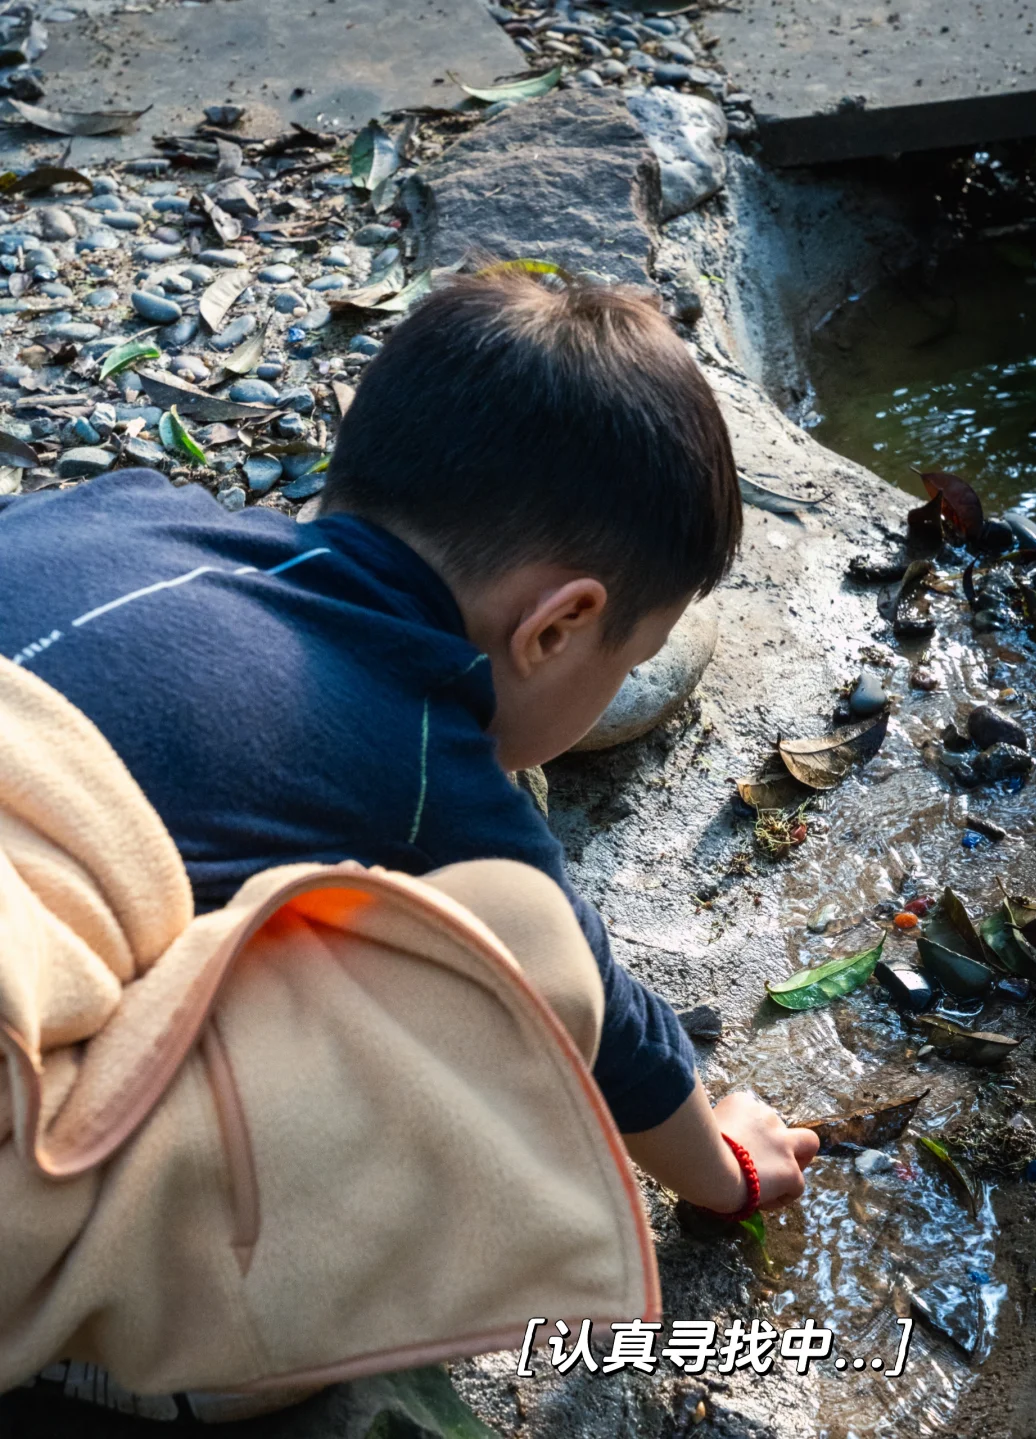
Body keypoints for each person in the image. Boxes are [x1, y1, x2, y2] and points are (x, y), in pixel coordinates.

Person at [0, 269, 817, 1221]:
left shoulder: (114, 505)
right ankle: (165, 1351)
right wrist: (729, 1171)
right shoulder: (423, 762)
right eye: (630, 656)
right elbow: (598, 1017)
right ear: (556, 628)